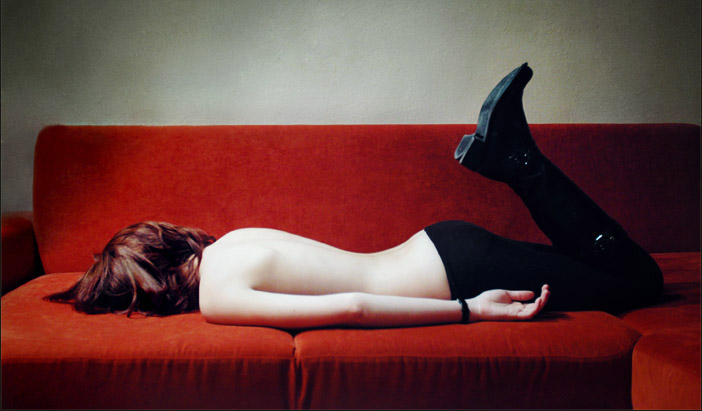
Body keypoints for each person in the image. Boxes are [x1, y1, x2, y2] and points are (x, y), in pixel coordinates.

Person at [45, 63, 664, 329]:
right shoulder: (230, 242)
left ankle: (517, 159)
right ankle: (512, 157)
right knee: (603, 271)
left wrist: (470, 311)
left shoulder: (217, 296)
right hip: (443, 248)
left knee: (640, 282)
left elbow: (355, 307)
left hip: (458, 274)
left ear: (141, 294)